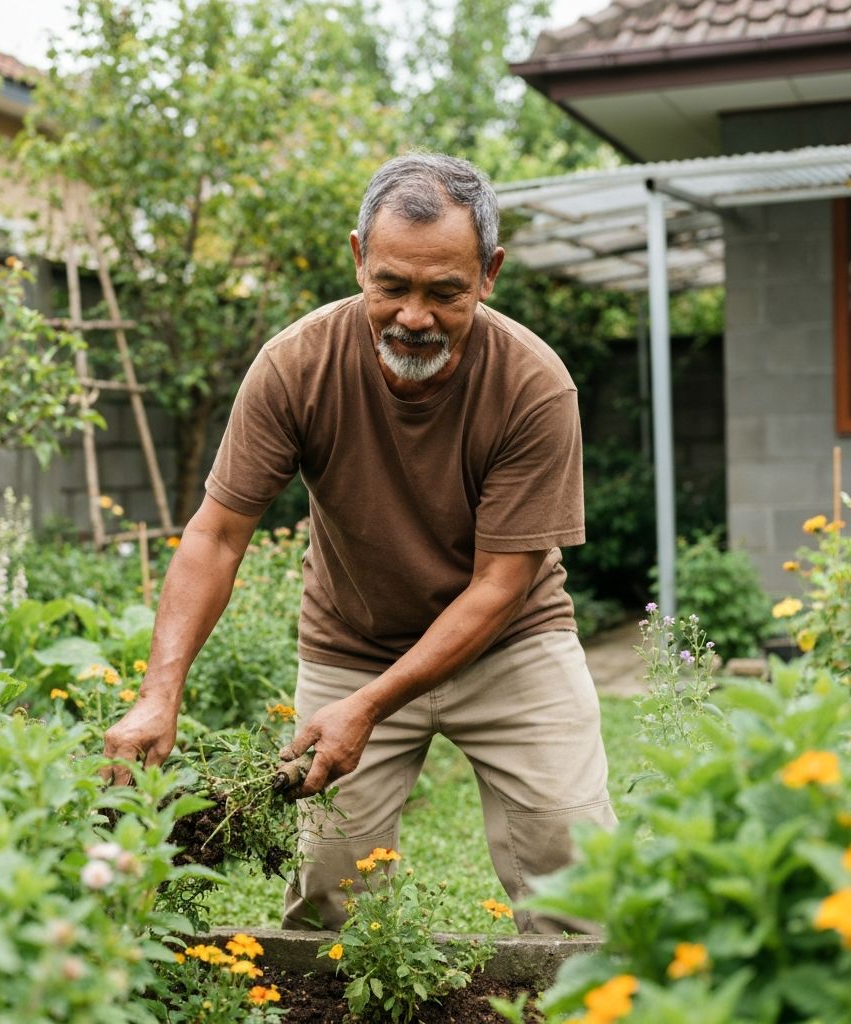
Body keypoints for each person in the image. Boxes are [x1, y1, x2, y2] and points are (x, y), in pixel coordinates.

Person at [103, 152, 616, 933]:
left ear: (489, 273)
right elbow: (215, 535)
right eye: (391, 286)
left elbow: (498, 585)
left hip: (510, 645)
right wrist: (158, 694)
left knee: (576, 878)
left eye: (444, 291)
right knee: (327, 900)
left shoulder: (533, 385)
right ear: (357, 259)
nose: (414, 316)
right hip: (354, 644)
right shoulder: (294, 366)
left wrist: (371, 708)